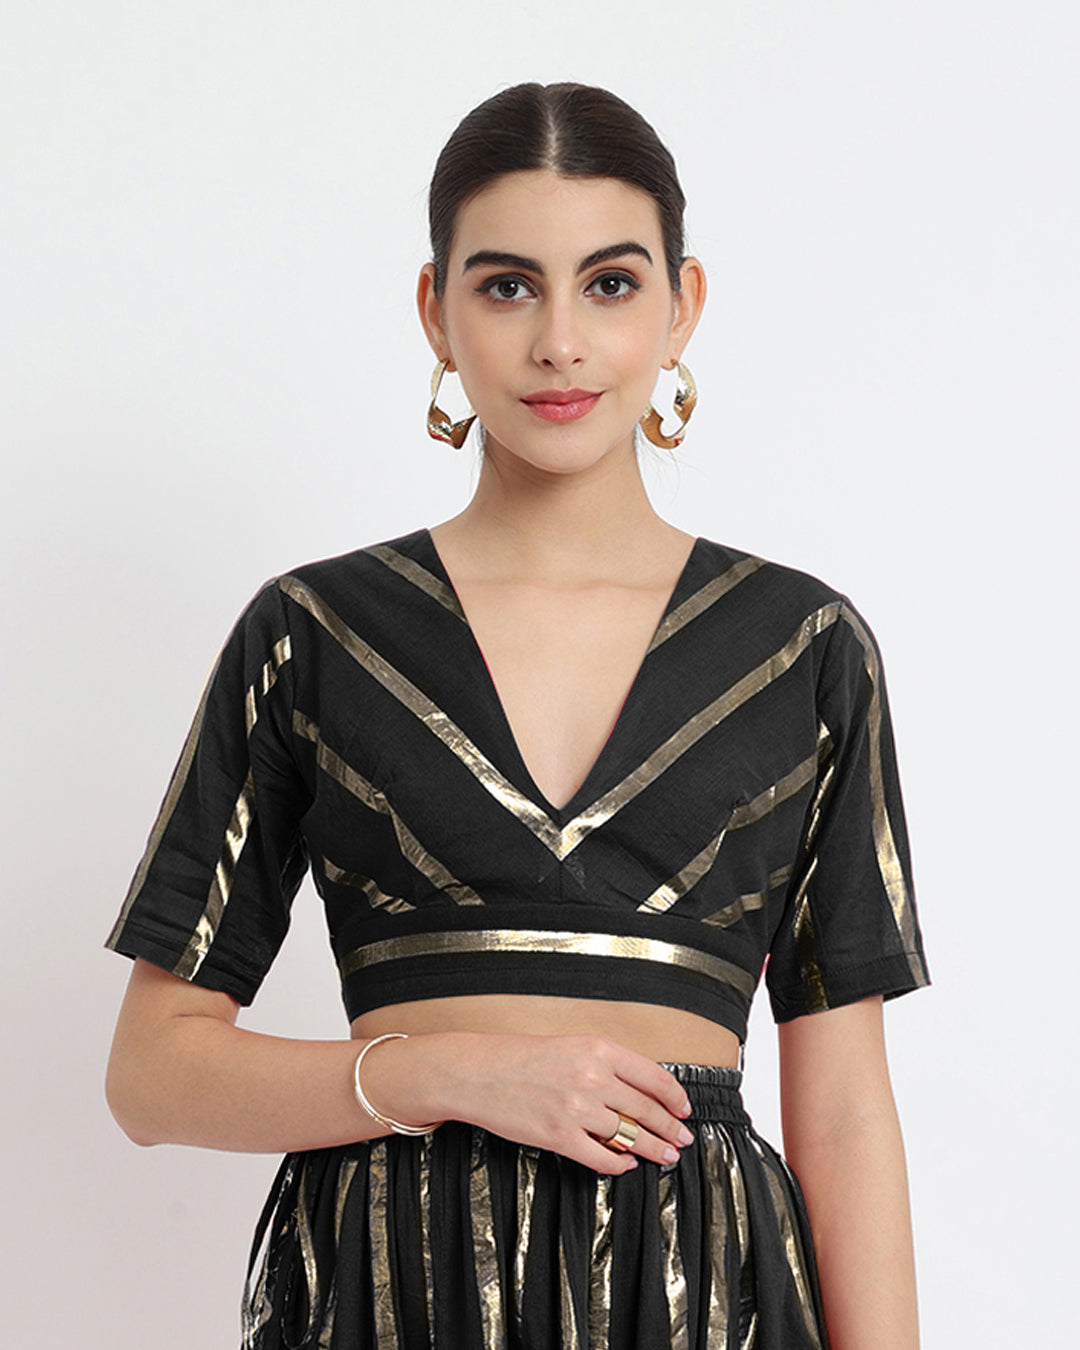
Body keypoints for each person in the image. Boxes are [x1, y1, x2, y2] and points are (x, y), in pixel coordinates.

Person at [105, 82, 930, 1349]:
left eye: (610, 284)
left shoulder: (802, 650)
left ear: (681, 305)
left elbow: (846, 1115)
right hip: (395, 1286)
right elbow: (152, 1074)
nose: (560, 342)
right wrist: (448, 1074)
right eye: (505, 287)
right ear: (434, 311)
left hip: (697, 1296)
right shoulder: (314, 635)